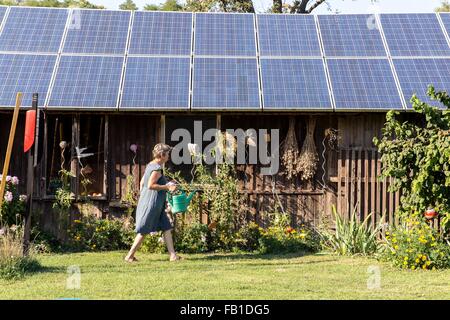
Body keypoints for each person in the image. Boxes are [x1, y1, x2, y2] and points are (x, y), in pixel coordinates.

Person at [124, 143, 182, 262]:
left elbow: (142, 183)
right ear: (162, 155)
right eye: (168, 154)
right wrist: (167, 187)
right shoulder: (156, 168)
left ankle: (173, 256)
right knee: (144, 230)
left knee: (166, 227)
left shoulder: (151, 165)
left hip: (152, 201)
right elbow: (150, 185)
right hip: (153, 203)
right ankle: (129, 256)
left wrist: (144, 196)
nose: (169, 156)